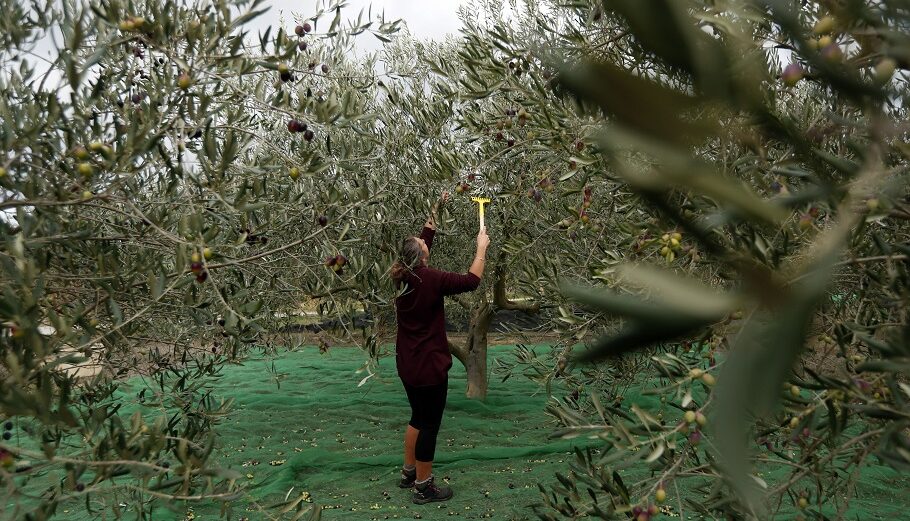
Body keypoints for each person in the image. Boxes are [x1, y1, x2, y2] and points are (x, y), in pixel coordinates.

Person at [389, 192, 490, 504]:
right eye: (423, 246)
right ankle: (424, 486)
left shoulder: (401, 275)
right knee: (429, 424)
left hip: (407, 363)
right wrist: (481, 249)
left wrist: (437, 206)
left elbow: (423, 239)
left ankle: (408, 473)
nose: (425, 243)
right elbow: (472, 281)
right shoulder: (431, 279)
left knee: (417, 417)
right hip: (430, 367)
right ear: (422, 258)